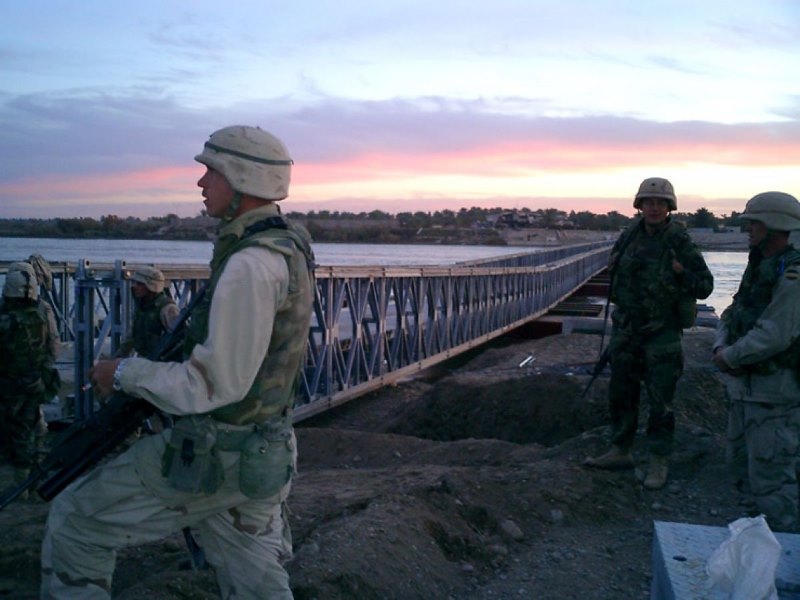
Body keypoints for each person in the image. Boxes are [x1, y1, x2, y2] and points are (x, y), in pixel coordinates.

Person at [41, 125, 316, 599]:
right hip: (260, 451)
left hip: (217, 453)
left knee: (77, 520)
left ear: (243, 179)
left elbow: (213, 384)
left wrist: (124, 373)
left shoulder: (249, 264)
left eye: (212, 171)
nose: (202, 182)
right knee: (253, 577)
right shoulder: (287, 246)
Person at [584, 177, 714, 490]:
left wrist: (682, 274)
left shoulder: (679, 241)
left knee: (661, 401)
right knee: (622, 394)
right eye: (648, 202)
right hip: (628, 330)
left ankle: (658, 460)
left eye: (660, 203)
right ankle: (621, 450)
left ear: (670, 207)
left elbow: (705, 286)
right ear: (639, 205)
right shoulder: (629, 236)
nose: (653, 208)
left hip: (661, 334)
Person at [712, 191, 800, 533]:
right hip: (747, 390)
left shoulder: (792, 274)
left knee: (774, 482)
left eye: (753, 223)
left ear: (775, 225)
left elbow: (776, 333)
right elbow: (734, 310)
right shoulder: (760, 264)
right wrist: (721, 344)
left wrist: (730, 356)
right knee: (745, 472)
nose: (747, 229)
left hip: (775, 393)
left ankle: (783, 565)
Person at [0, 262, 53, 498]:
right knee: (34, 425)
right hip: (35, 379)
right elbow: (54, 345)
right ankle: (36, 476)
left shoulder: (4, 314)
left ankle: (21, 483)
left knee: (16, 430)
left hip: (9, 382)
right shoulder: (43, 310)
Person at [114, 265, 180, 358]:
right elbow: (133, 336)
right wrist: (118, 356)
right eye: (135, 283)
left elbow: (180, 339)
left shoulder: (167, 309)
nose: (135, 287)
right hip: (145, 359)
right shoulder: (143, 306)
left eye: (140, 284)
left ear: (150, 287)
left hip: (163, 363)